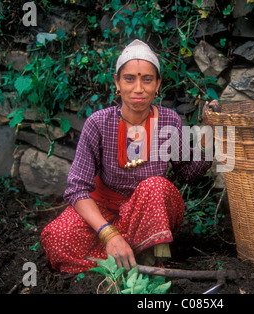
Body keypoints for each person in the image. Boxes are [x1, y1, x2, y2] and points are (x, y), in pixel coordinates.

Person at [41, 39, 216, 273]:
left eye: (147, 79)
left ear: (158, 84)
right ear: (117, 83)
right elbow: (77, 188)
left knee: (156, 186)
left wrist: (207, 144)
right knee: (57, 239)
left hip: (148, 214)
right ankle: (129, 259)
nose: (138, 88)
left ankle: (144, 257)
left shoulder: (170, 121)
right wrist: (108, 233)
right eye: (129, 78)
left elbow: (187, 175)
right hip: (103, 210)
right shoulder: (99, 124)